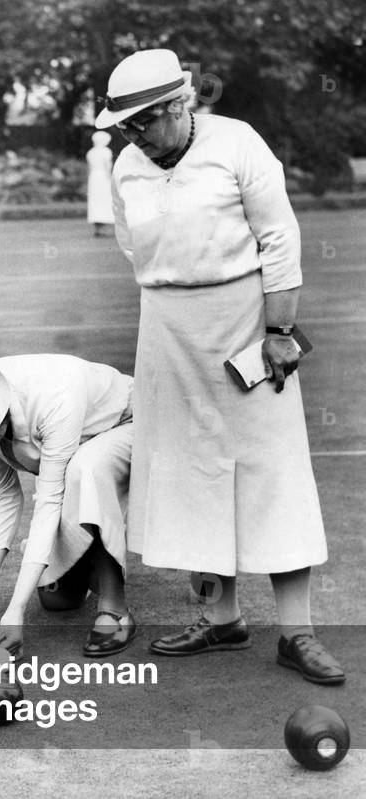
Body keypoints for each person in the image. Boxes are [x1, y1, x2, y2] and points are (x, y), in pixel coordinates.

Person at [97, 48, 343, 684]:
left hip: (247, 328)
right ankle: (221, 618)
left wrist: (280, 329)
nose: (134, 138)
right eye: (124, 127)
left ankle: (298, 633)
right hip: (167, 333)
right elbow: (131, 245)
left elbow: (279, 240)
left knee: (271, 472)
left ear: (181, 104)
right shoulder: (127, 164)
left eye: (143, 123)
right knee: (187, 476)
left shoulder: (238, 144)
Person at [0, 356, 136, 657]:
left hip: (129, 424)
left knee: (87, 468)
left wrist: (16, 610)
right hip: (75, 454)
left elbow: (49, 501)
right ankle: (89, 555)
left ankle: (117, 611)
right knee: (59, 601)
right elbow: (3, 495)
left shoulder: (53, 398)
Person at [85, 131, 114, 237]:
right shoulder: (106, 151)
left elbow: (89, 168)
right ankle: (102, 227)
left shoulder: (91, 152)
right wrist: (111, 180)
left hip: (93, 178)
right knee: (104, 200)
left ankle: (98, 228)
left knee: (95, 201)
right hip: (103, 178)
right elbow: (108, 168)